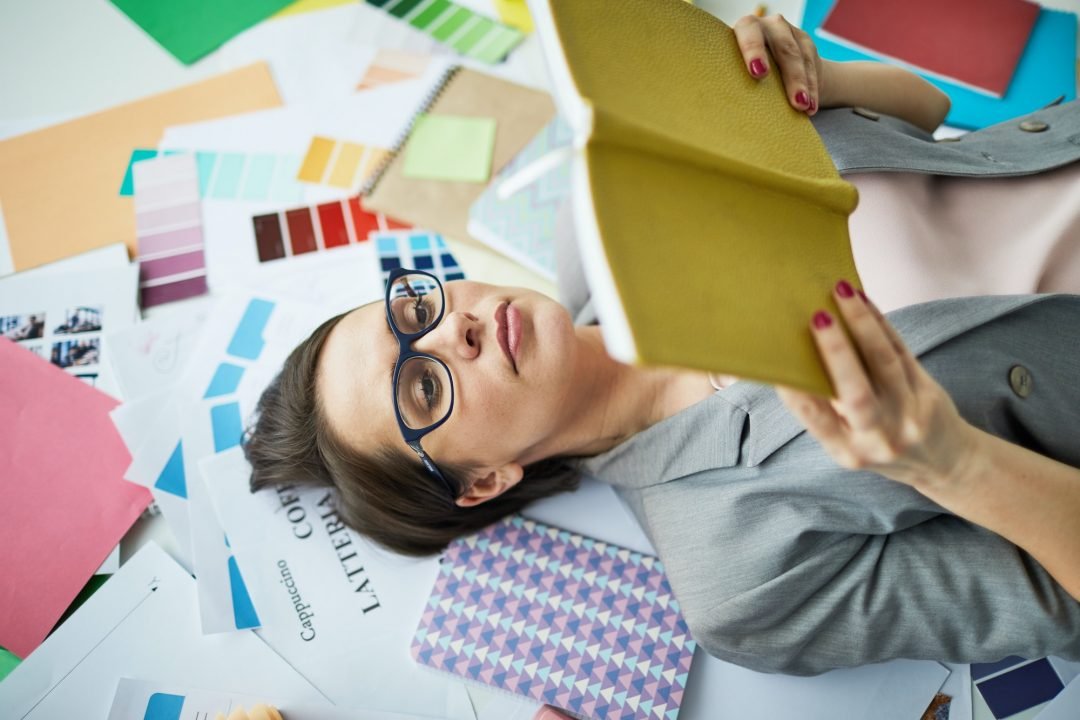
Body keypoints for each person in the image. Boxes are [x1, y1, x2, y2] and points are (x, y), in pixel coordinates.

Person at [245, 15, 1080, 674]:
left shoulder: (637, 193)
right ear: (484, 483)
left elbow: (932, 119)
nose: (449, 329)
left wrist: (817, 82)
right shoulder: (738, 579)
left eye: (410, 311)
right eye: (423, 387)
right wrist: (951, 464)